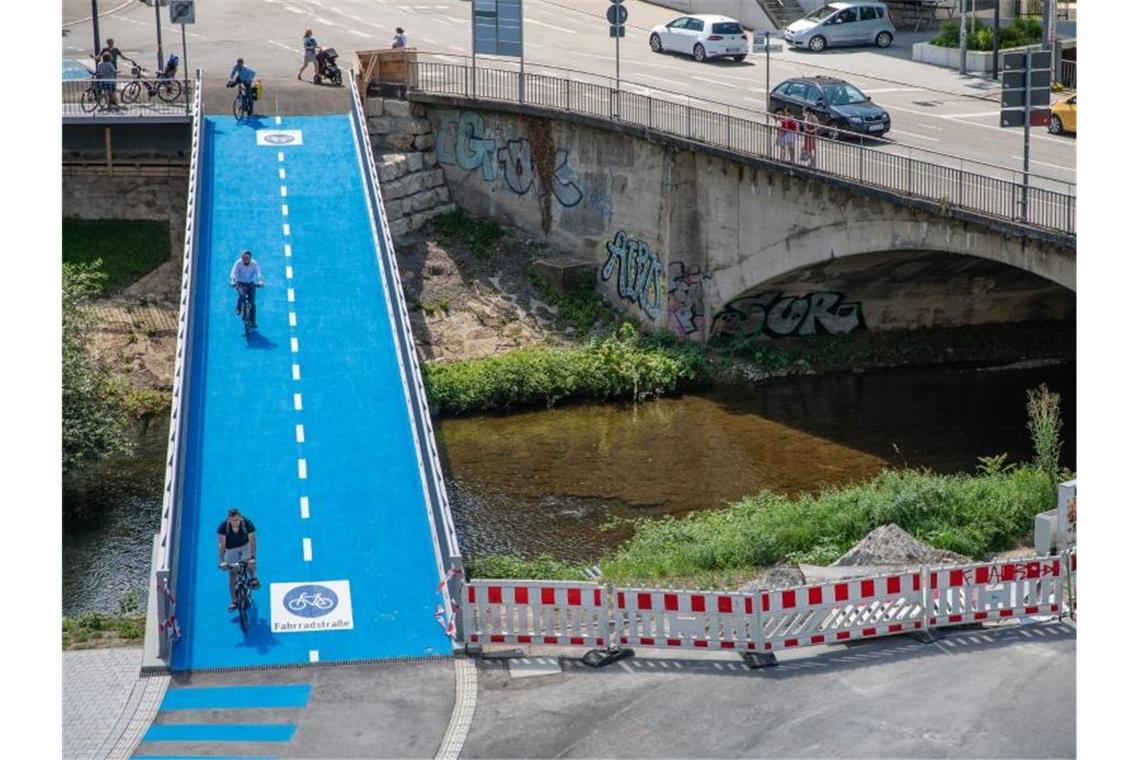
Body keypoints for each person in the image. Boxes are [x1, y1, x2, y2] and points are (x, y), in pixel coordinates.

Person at [217, 508, 260, 612]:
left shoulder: (247, 524)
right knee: (232, 575)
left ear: (240, 518)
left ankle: (253, 578)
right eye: (232, 520)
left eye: (237, 519)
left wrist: (253, 557)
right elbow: (221, 545)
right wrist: (222, 561)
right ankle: (234, 601)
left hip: (245, 546)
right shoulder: (223, 527)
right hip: (230, 549)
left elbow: (252, 541)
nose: (235, 522)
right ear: (229, 519)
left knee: (249, 563)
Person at [229, 249, 264, 327]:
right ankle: (238, 307)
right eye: (243, 258)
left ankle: (253, 321)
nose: (245, 259)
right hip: (240, 283)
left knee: (252, 303)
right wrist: (232, 281)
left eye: (247, 258)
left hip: (250, 283)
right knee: (241, 294)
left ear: (250, 258)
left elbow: (259, 273)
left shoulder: (254, 264)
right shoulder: (238, 263)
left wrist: (260, 282)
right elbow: (233, 273)